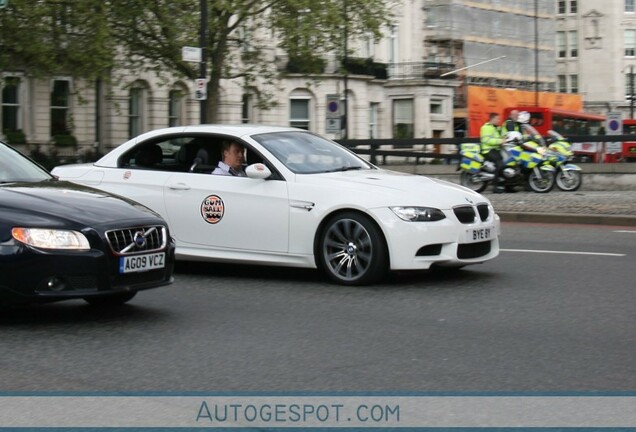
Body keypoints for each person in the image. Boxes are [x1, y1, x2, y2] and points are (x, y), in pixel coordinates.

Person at [480, 112, 506, 193]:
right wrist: (500, 141)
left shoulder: (496, 128)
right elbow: (486, 140)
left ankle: (507, 186)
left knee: (507, 162)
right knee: (499, 164)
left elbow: (502, 135)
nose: (499, 120)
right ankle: (495, 187)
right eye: (497, 119)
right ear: (492, 119)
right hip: (488, 150)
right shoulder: (486, 127)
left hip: (495, 149)